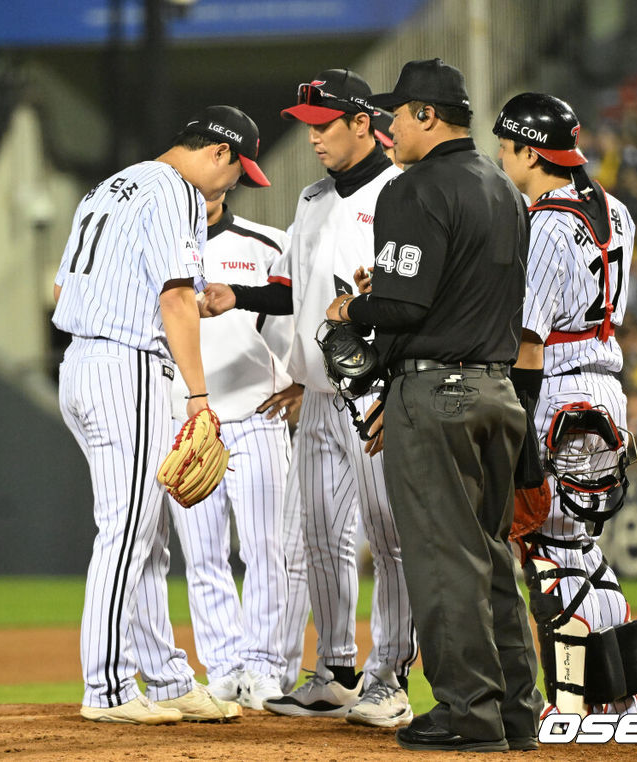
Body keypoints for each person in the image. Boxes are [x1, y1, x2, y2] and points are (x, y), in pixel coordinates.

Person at [331, 57, 543, 751]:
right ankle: (516, 711)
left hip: (438, 395)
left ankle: (468, 716)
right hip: (498, 390)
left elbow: (402, 304)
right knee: (489, 557)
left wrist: (352, 308)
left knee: (443, 561)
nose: (388, 127)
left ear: (427, 115)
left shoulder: (413, 188)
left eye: (397, 114)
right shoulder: (504, 189)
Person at [204, 68, 416, 728]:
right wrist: (239, 297)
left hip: (377, 390)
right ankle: (336, 670)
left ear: (363, 123)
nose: (313, 137)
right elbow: (296, 292)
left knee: (390, 539)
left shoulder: (402, 195)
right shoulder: (313, 196)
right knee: (317, 540)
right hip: (321, 396)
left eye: (323, 125)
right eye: (306, 126)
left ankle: (391, 678)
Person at [53, 105, 270, 725]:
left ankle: (169, 678)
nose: (233, 186)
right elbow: (175, 296)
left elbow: (69, 287)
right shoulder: (177, 190)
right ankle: (109, 687)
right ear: (220, 154)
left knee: (142, 536)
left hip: (83, 363)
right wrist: (200, 398)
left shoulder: (112, 185)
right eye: (238, 172)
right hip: (126, 367)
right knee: (127, 534)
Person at [493, 92, 637, 718]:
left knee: (550, 548)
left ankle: (577, 701)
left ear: (532, 151)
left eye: (506, 149)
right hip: (603, 382)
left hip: (555, 386)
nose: (502, 160)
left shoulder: (547, 223)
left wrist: (521, 433)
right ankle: (619, 702)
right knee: (580, 547)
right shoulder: (617, 210)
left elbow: (528, 337)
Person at [167, 191, 294, 709]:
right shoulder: (162, 245)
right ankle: (222, 668)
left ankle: (264, 668)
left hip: (256, 415)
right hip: (184, 419)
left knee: (266, 551)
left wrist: (300, 381)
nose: (209, 192)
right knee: (202, 558)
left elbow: (295, 320)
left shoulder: (267, 243)